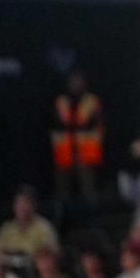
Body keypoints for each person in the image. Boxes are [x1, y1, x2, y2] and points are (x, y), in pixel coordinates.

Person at [50, 69, 103, 204]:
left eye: (79, 82)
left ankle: (90, 219)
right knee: (63, 193)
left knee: (88, 192)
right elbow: (57, 123)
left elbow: (93, 124)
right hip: (64, 153)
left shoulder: (91, 101)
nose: (76, 85)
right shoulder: (61, 101)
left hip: (85, 154)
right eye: (73, 82)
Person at [0, 185, 59, 259]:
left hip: (34, 268)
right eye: (19, 203)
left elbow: (51, 256)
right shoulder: (7, 229)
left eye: (26, 202)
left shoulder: (44, 228)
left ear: (33, 205)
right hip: (9, 268)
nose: (22, 207)